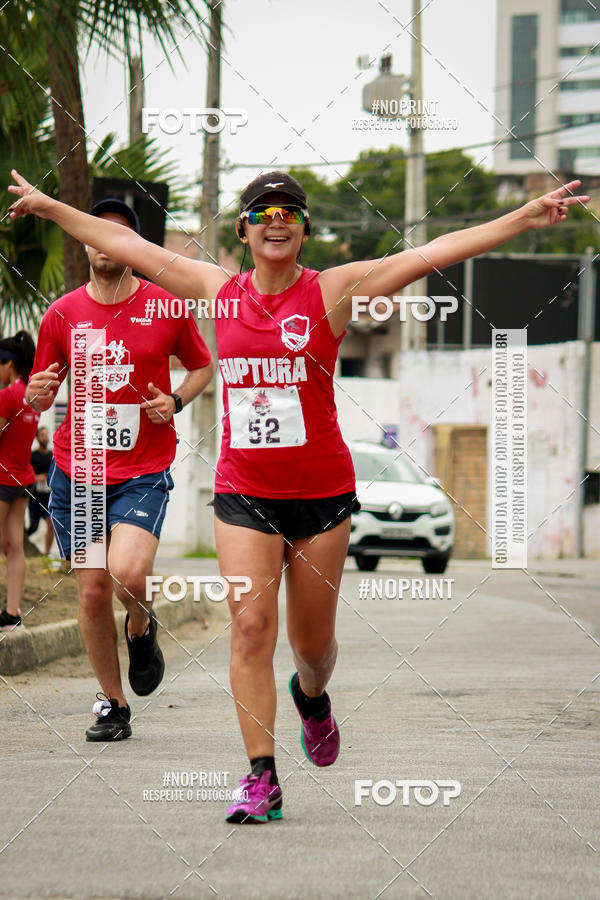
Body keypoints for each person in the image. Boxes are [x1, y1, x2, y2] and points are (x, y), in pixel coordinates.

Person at [8, 168, 588, 817]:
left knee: (312, 648)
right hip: (244, 495)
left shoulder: (334, 290)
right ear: (244, 230)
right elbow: (130, 247)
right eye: (263, 212)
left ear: (305, 228)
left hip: (321, 497)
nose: (276, 220)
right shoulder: (215, 290)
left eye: (289, 212)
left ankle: (312, 698)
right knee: (251, 626)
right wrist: (48, 205)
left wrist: (523, 218)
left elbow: (428, 254)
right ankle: (261, 775)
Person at [12, 195, 214, 742]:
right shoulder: (62, 314)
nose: (105, 243)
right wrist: (34, 392)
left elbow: (202, 367)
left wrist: (175, 400)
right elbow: (38, 389)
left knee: (127, 575)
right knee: (93, 591)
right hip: (77, 472)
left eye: (118, 235)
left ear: (134, 248)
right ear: (84, 242)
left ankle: (142, 626)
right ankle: (112, 702)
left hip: (143, 469)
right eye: (96, 233)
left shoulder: (166, 307)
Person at [0, 330, 40, 630]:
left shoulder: (7, 396)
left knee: (11, 546)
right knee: (15, 546)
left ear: (8, 365)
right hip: (23, 480)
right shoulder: (31, 396)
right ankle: (12, 614)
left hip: (3, 478)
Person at [27, 426, 55, 555]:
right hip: (34, 496)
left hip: (48, 497)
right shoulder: (32, 455)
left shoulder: (52, 456)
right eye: (42, 435)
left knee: (51, 525)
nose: (45, 437)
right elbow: (26, 473)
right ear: (38, 438)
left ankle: (46, 553)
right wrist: (37, 477)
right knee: (34, 525)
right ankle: (23, 544)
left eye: (46, 435)